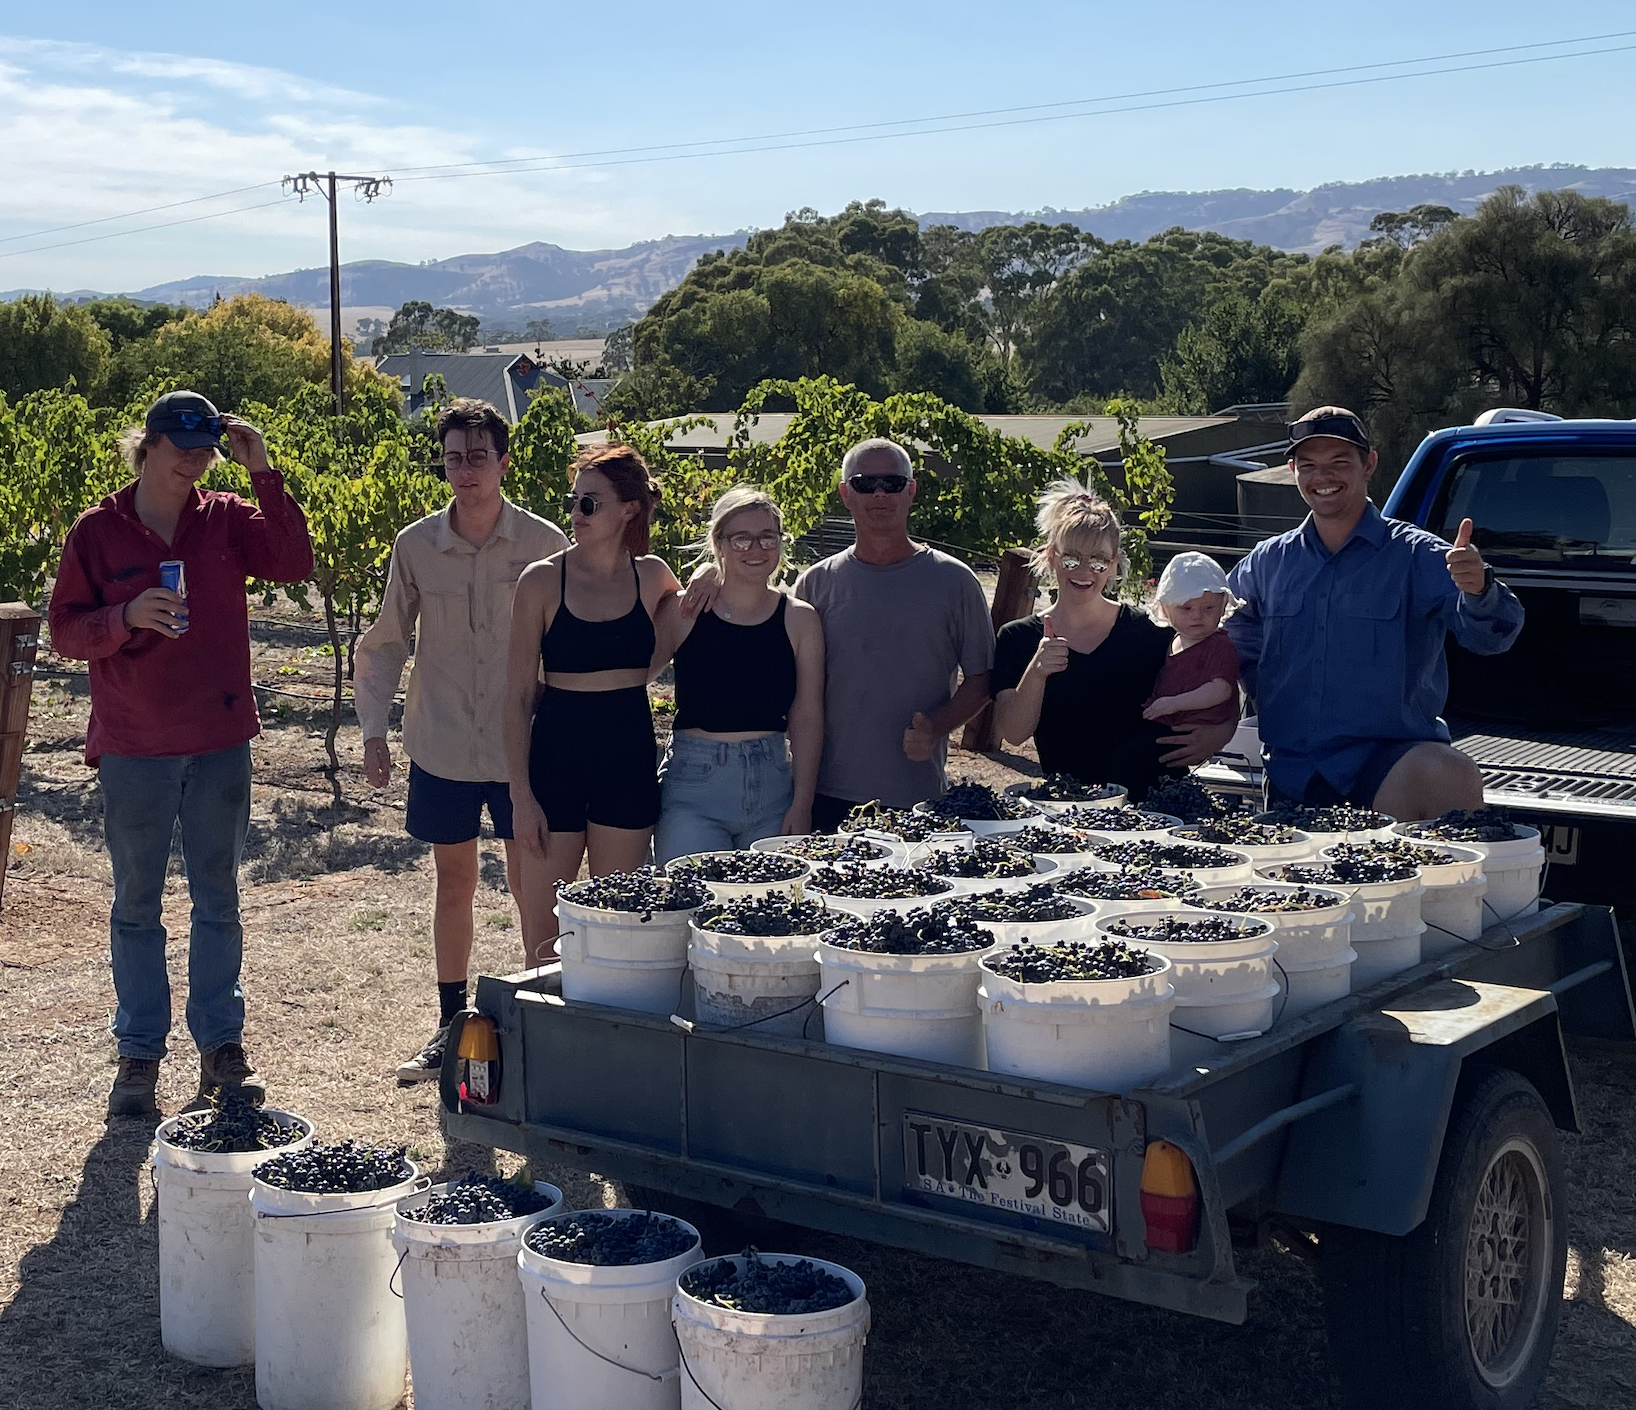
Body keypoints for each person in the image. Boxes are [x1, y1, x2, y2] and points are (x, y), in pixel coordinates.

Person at [48, 390, 314, 1117]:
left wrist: (263, 470)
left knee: (217, 899)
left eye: (206, 450)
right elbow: (64, 630)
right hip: (135, 744)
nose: (195, 461)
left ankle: (222, 1047)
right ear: (148, 446)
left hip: (219, 741)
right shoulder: (98, 531)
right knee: (137, 903)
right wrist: (124, 616)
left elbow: (293, 563)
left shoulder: (227, 517)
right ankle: (139, 1054)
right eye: (181, 448)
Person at [354, 398, 567, 1085]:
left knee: (532, 886)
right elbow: (386, 641)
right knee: (454, 883)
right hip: (442, 741)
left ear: (503, 461)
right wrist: (373, 730)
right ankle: (450, 1024)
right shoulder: (416, 545)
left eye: (478, 456)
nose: (466, 470)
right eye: (453, 458)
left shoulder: (543, 543)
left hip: (523, 749)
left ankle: (539, 1022)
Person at [1227, 405, 1524, 819]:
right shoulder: (1266, 563)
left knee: (1447, 772)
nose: (1323, 476)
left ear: (1369, 464)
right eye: (1308, 465)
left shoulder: (1419, 555)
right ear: (1293, 470)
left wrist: (1480, 589)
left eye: (1339, 462)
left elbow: (1495, 636)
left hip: (1388, 770)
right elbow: (1224, 637)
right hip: (1292, 774)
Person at [504, 445, 681, 944]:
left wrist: (711, 573)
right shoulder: (541, 580)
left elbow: (686, 619)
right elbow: (516, 697)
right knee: (544, 934)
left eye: (590, 503)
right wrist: (521, 797)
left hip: (627, 758)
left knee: (617, 926)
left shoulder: (653, 577)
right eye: (574, 501)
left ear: (629, 509)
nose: (576, 513)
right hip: (555, 759)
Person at [790, 438, 995, 831]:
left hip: (917, 797)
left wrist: (936, 728)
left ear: (911, 490)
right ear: (845, 493)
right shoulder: (814, 585)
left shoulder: (955, 581)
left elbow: (982, 680)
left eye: (893, 483)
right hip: (823, 793)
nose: (880, 494)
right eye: (865, 484)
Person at [991, 482, 1219, 799]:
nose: (1084, 570)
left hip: (1157, 809)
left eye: (1098, 560)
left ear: (1113, 565)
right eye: (1071, 558)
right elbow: (1014, 734)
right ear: (1052, 557)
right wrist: (1038, 671)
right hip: (1073, 809)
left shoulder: (1153, 632)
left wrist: (1219, 733)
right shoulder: (1018, 637)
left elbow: (1220, 680)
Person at [649, 487, 824, 861]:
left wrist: (803, 803)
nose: (756, 549)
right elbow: (633, 677)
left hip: (774, 789)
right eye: (741, 539)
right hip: (694, 789)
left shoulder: (800, 619)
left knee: (769, 896)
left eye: (768, 537)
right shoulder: (685, 611)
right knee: (690, 895)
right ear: (719, 543)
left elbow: (807, 716)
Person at [1141, 552, 1241, 727]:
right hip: (1169, 725)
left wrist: (1174, 704)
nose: (1197, 616)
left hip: (1203, 729)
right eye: (1186, 608)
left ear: (1223, 605)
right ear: (1165, 609)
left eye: (1208, 608)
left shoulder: (1219, 646)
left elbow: (1221, 690)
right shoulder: (1170, 641)